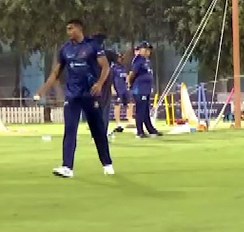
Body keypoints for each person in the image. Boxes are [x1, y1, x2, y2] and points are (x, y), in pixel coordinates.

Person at [35, 19, 114, 178]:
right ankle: (67, 167)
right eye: (67, 29)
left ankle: (107, 163)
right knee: (70, 130)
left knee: (98, 130)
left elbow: (105, 66)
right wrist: (43, 90)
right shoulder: (65, 49)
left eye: (71, 28)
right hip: (72, 95)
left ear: (79, 29)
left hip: (90, 95)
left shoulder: (92, 46)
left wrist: (99, 84)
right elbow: (56, 72)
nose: (68, 32)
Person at [128, 41, 162, 138]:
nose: (148, 52)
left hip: (146, 89)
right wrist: (130, 84)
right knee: (140, 110)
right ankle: (140, 131)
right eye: (145, 49)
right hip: (140, 89)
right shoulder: (138, 60)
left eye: (149, 50)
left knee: (146, 110)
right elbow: (132, 74)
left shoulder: (147, 61)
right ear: (140, 50)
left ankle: (150, 129)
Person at [111, 51, 133, 131]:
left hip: (124, 89)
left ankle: (129, 119)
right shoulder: (113, 68)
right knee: (117, 105)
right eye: (119, 58)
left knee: (129, 103)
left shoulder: (124, 67)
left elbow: (126, 77)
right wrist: (112, 88)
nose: (120, 59)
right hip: (118, 89)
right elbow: (110, 79)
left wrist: (128, 84)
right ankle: (118, 122)